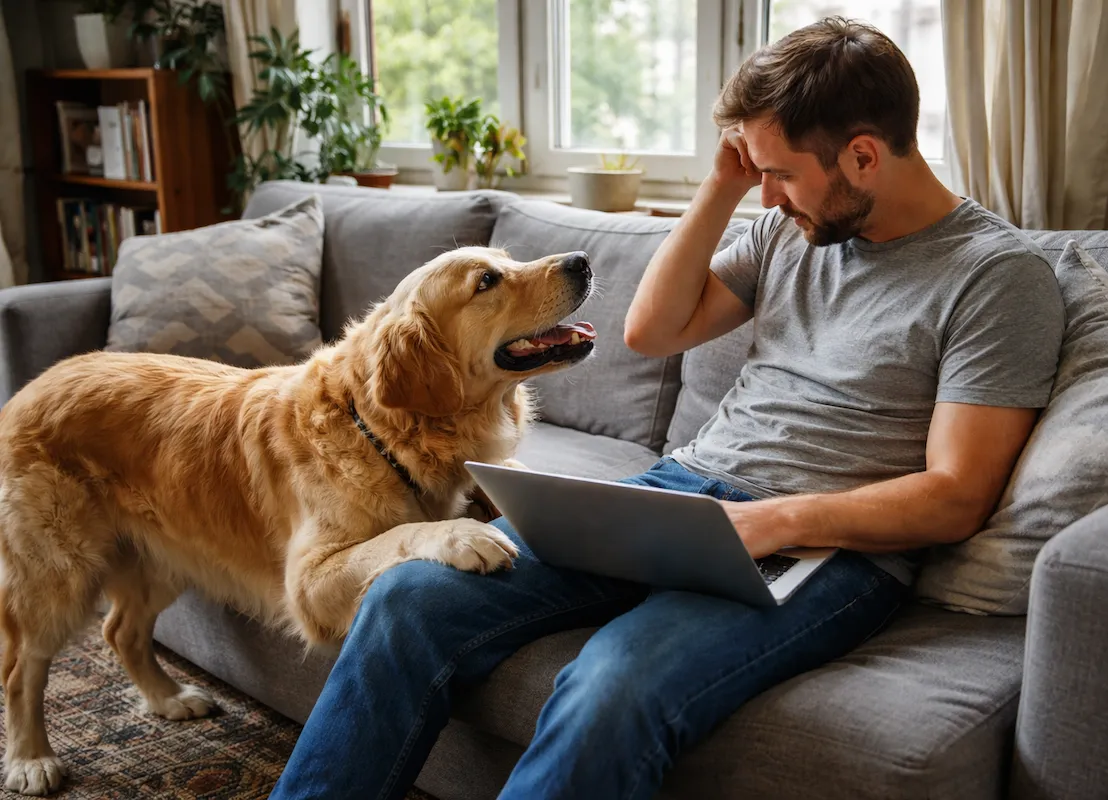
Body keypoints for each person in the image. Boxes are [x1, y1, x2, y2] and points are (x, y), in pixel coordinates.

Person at [270, 16, 1064, 800]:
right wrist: (722, 185)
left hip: (828, 549)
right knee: (409, 595)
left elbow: (957, 494)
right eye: (757, 172)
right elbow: (652, 331)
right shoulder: (790, 232)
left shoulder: (995, 277)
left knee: (611, 684)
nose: (768, 195)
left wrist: (773, 522)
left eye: (780, 174)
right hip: (681, 494)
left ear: (863, 155)